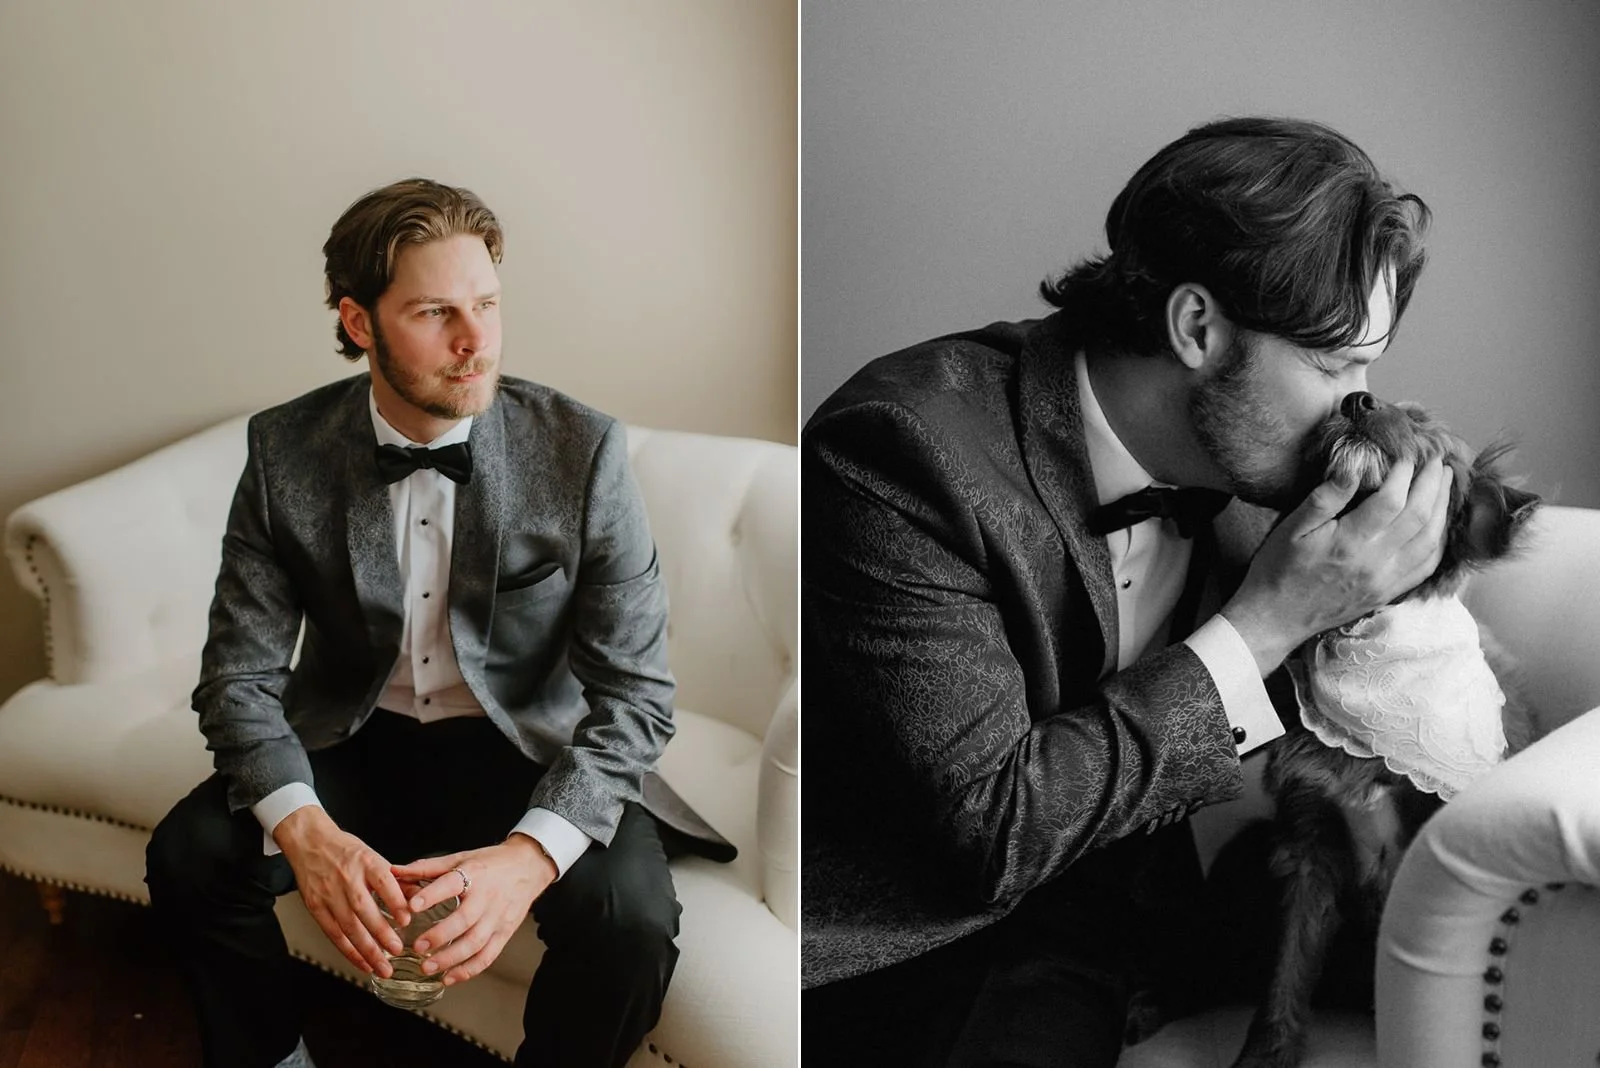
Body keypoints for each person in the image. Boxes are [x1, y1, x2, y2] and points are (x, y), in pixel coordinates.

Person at [800, 117, 1452, 1066]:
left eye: (1370, 369)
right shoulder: (901, 452)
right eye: (1334, 365)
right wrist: (1264, 622)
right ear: (1197, 328)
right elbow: (992, 834)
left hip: (1147, 900)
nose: (1359, 405)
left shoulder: (1276, 480)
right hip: (928, 927)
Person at [145, 178, 731, 1068]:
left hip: (524, 747)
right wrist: (306, 831)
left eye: (488, 305)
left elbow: (638, 696)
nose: (476, 341)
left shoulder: (584, 451)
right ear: (357, 322)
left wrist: (530, 857)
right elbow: (238, 680)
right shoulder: (283, 451)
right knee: (188, 858)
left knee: (632, 922)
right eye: (435, 313)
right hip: (353, 737)